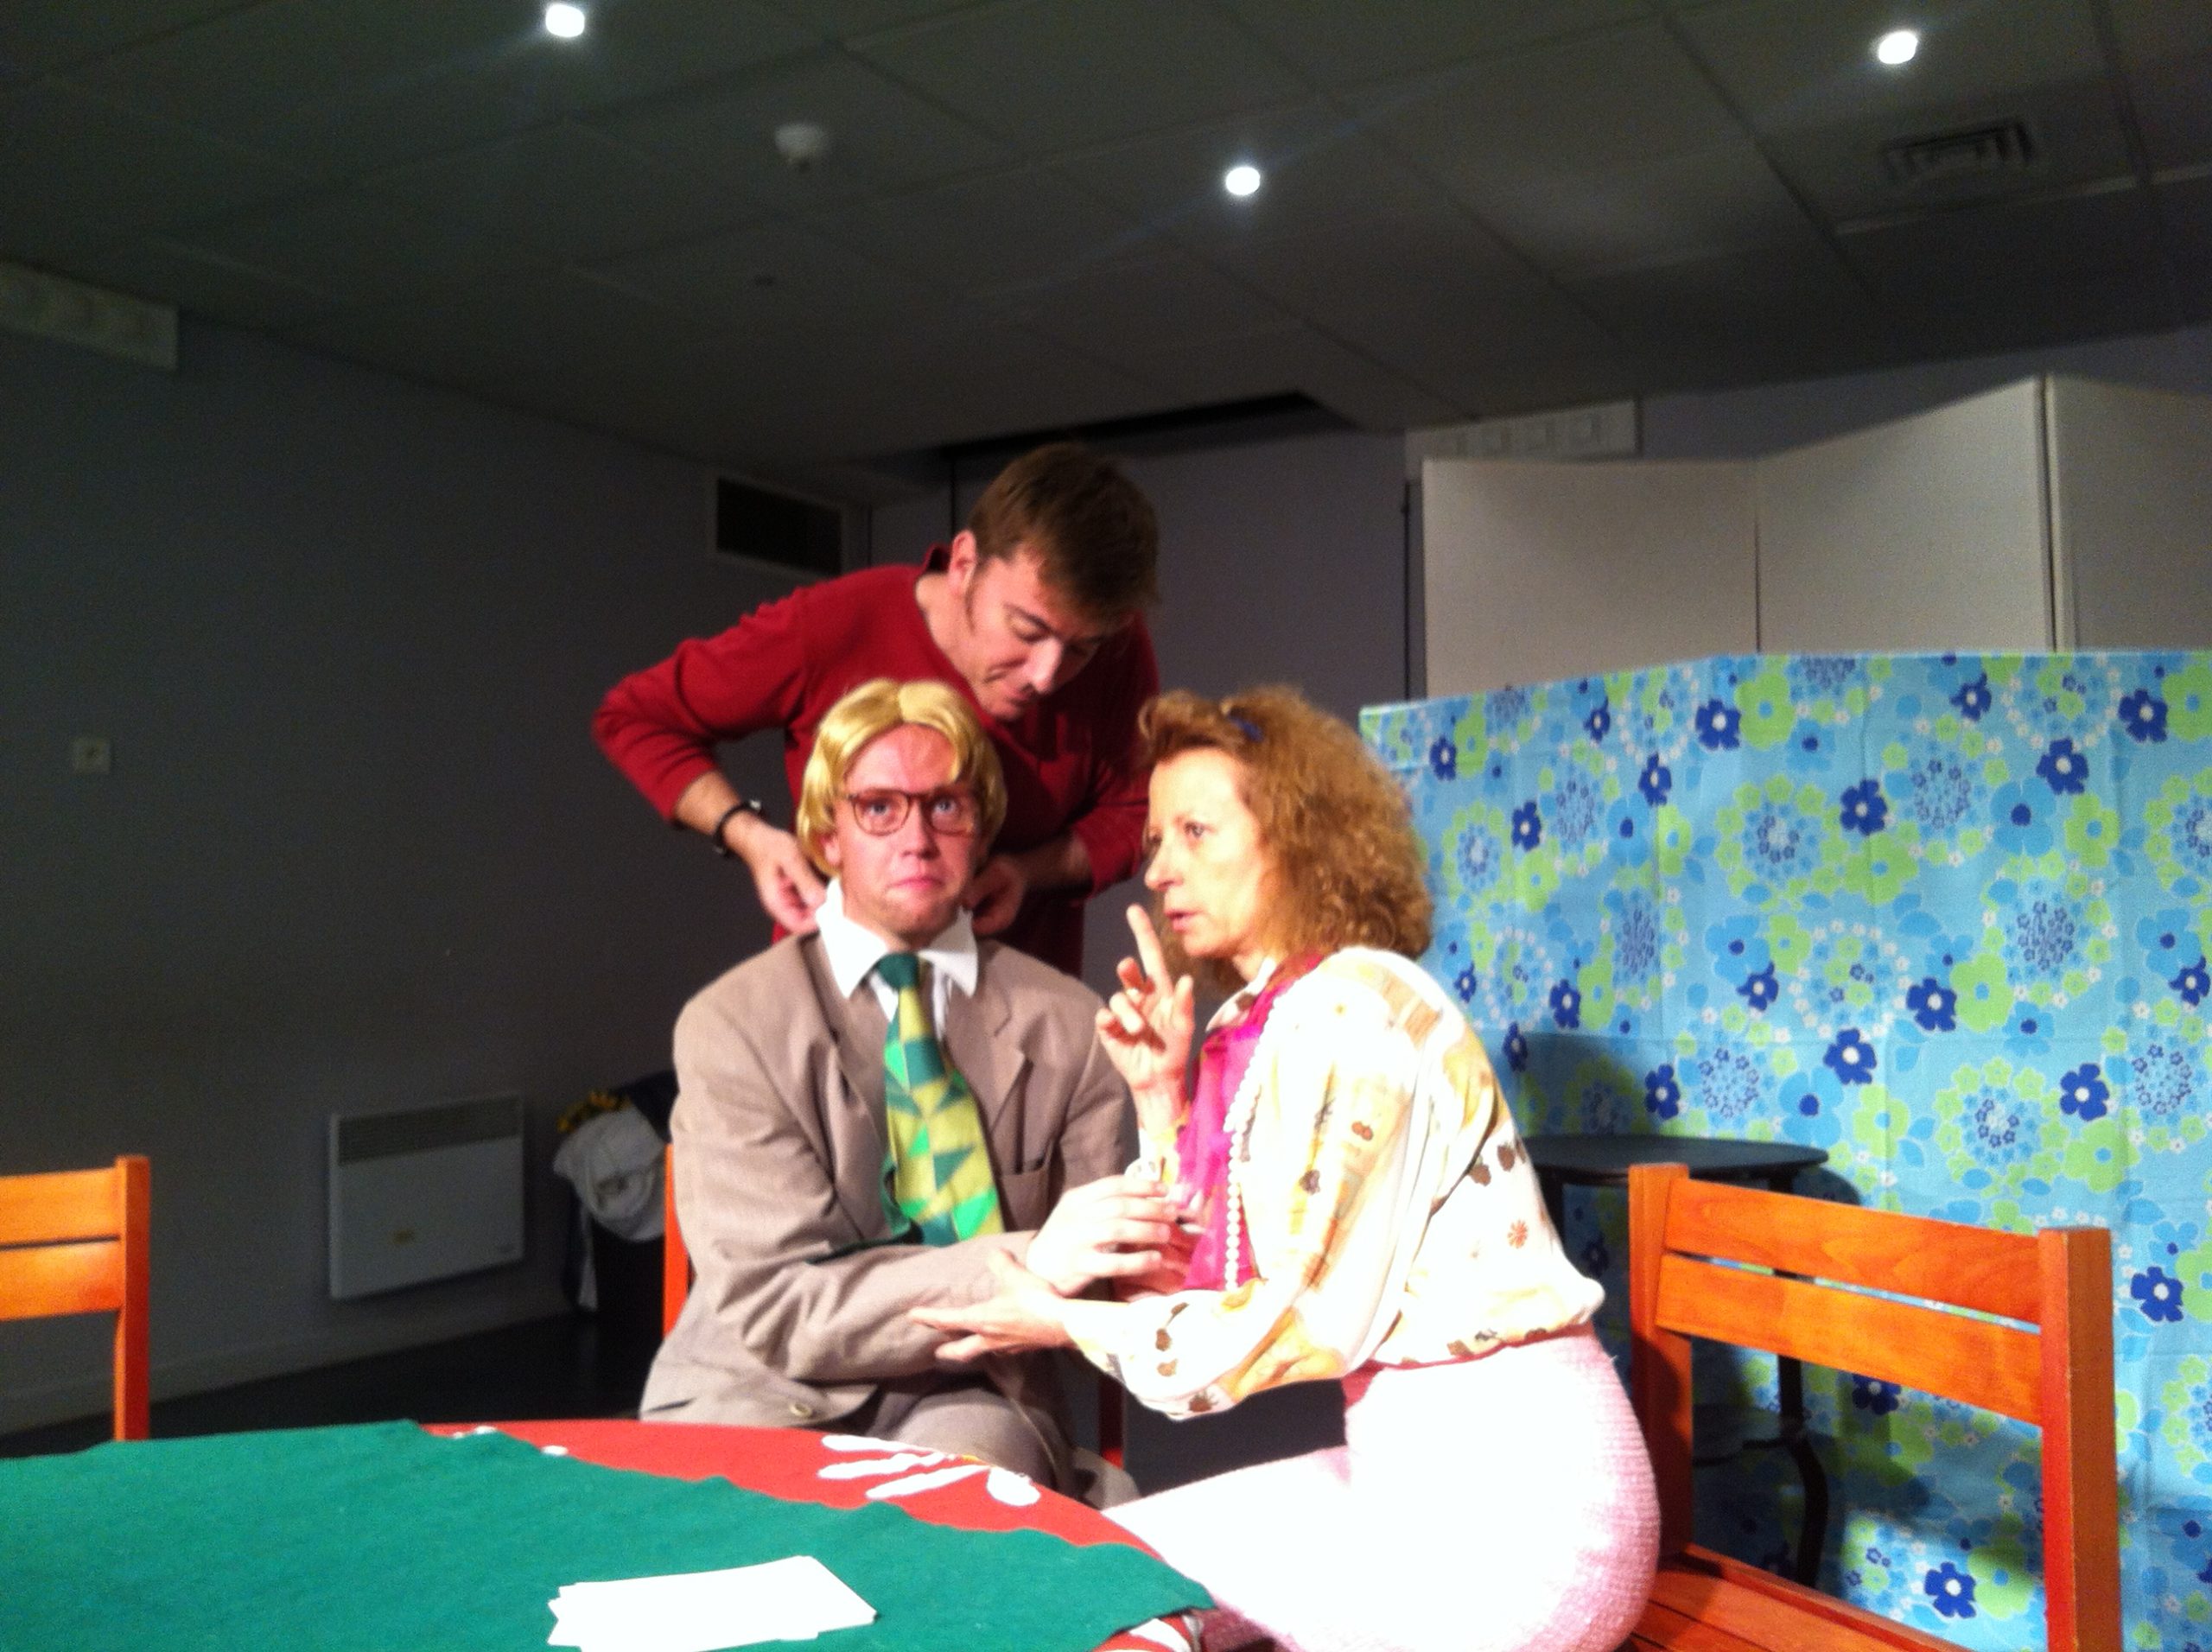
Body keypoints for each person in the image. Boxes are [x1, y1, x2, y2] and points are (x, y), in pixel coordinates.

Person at [913, 687, 1659, 1652]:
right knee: (1082, 1577)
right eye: (1156, 840)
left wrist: (1063, 1320)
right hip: (1405, 1483)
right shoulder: (1271, 1018)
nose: (1159, 869)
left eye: (1196, 832)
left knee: (1100, 1615)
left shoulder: (1357, 1012)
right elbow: (1199, 1282)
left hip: (1528, 1521)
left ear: (1298, 837)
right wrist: (1160, 1098)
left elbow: (1292, 1321)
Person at [642, 678, 1174, 1495]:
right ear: (828, 834)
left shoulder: (1073, 1026)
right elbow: (780, 1304)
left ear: (981, 827)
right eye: (880, 808)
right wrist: (1032, 1257)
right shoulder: (734, 1025)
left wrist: (1165, 1106)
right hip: (758, 1383)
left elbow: (1105, 1288)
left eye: (945, 807)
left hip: (975, 1390)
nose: (917, 839)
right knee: (744, 1541)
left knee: (957, 1523)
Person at [594, 442, 1160, 975]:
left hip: (1016, 1016)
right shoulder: (835, 623)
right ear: (964, 564)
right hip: (835, 1009)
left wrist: (1026, 872)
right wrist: (746, 835)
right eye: (1026, 630)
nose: (1046, 676)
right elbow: (636, 718)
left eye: (1080, 649)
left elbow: (1138, 809)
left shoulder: (1116, 649)